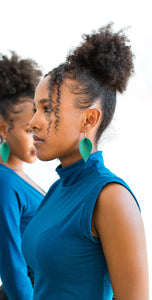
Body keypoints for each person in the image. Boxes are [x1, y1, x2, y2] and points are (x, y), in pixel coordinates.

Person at [22, 24, 149, 300]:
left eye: (47, 108)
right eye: (35, 109)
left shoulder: (111, 198)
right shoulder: (58, 190)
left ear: (89, 119)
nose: (32, 122)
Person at [0, 51, 45, 300]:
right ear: (3, 128)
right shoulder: (1, 182)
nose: (37, 137)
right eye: (29, 130)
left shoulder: (19, 177)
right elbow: (13, 268)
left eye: (38, 128)